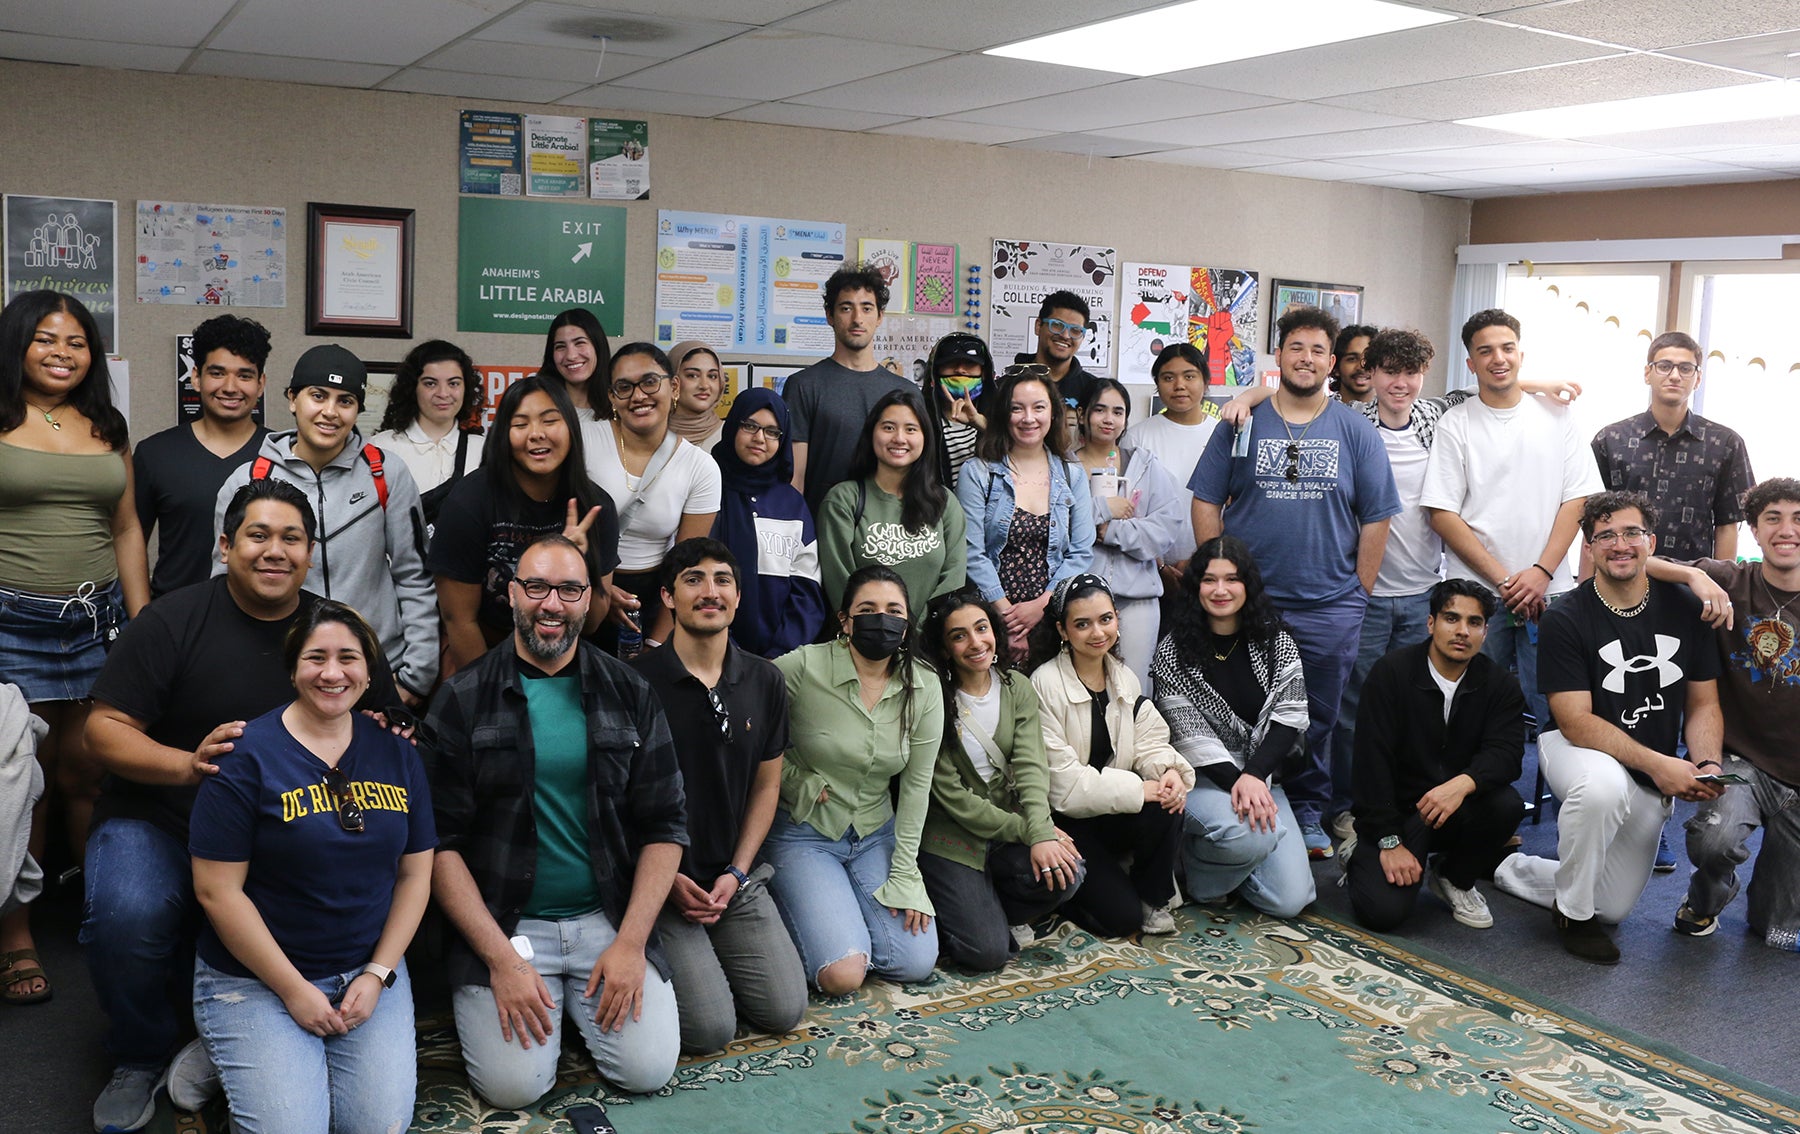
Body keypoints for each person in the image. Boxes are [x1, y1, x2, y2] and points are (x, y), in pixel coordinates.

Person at [82, 479, 401, 1132]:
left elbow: (385, 724)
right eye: (258, 535)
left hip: (284, 837)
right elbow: (102, 729)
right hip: (163, 817)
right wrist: (187, 765)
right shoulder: (171, 620)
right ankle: (140, 1053)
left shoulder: (332, 634)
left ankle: (230, 1037)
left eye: (291, 538)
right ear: (226, 546)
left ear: (311, 554)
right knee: (127, 908)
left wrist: (396, 734)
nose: (274, 551)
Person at [425, 535, 687, 1104]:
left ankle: (573, 1003)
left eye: (570, 589)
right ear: (513, 595)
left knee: (647, 1072)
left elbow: (666, 825)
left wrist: (631, 943)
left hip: (607, 919)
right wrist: (498, 960)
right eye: (537, 587)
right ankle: (552, 1004)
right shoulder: (462, 698)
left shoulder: (630, 689)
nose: (552, 604)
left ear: (590, 599)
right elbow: (438, 845)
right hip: (507, 926)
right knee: (512, 1089)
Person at [189, 600, 434, 1134]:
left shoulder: (399, 754)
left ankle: (264, 1062)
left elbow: (416, 875)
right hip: (258, 978)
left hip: (366, 973)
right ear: (293, 667)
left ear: (370, 673)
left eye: (348, 658)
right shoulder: (244, 754)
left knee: (374, 1127)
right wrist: (295, 991)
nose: (331, 672)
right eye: (315, 657)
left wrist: (378, 973)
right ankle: (226, 1048)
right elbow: (216, 892)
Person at [1189, 304, 1400, 859]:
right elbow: (1207, 498)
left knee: (1318, 716)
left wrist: (1360, 592)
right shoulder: (1241, 422)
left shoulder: (1356, 430)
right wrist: (1214, 572)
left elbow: (1377, 515)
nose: (1305, 359)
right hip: (1246, 602)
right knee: (1246, 708)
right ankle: (1247, 798)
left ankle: (1308, 808)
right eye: (1295, 348)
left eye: (1316, 351)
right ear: (1278, 357)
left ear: (1331, 363)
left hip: (1330, 602)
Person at [1492, 492, 1724, 964]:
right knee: (1601, 788)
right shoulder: (1565, 616)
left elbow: (1704, 705)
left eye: (1631, 533)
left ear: (1651, 542)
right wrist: (1661, 765)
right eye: (1605, 536)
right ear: (1589, 548)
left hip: (1648, 765)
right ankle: (1572, 915)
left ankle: (1509, 868)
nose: (1620, 545)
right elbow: (1575, 722)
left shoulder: (1684, 607)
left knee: (1612, 907)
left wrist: (1706, 764)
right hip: (1575, 748)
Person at [0, 290, 148, 1009]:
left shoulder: (106, 424)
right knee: (18, 782)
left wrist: (143, 621)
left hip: (98, 623)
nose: (61, 352)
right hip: (9, 622)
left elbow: (125, 530)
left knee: (91, 770)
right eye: (45, 339)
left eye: (76, 341)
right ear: (17, 345)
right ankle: (15, 935)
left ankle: (102, 913)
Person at [632, 538, 806, 1053]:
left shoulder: (765, 679)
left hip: (733, 880)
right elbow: (614, 800)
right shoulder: (636, 684)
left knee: (785, 1010)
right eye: (693, 580)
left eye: (722, 580)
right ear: (667, 597)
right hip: (662, 883)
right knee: (709, 1031)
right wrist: (665, 880)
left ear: (738, 596)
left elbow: (767, 785)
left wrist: (738, 871)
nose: (710, 592)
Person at [214, 343, 438, 702]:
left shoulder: (386, 473)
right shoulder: (247, 481)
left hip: (373, 670)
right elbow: (225, 586)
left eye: (345, 401)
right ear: (292, 399)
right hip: (281, 673)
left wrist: (415, 677)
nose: (330, 412)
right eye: (318, 396)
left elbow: (414, 576)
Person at [1422, 308, 1604, 743]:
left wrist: (1540, 573)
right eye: (1485, 351)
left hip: (1552, 591)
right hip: (1477, 593)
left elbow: (1577, 499)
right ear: (1471, 363)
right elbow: (1443, 513)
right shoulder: (1456, 423)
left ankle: (1569, 808)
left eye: (1507, 348)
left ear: (1521, 354)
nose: (1498, 358)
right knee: (1471, 708)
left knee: (1561, 716)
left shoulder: (1557, 417)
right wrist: (1506, 581)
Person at [765, 565, 942, 994]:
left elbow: (917, 789)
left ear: (906, 624)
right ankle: (798, 906)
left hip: (874, 833)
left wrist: (906, 874)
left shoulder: (925, 685)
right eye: (867, 609)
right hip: (803, 832)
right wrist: (795, 780)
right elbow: (751, 740)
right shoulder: (802, 667)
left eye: (893, 610)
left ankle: (842, 917)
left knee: (916, 960)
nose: (881, 619)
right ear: (845, 620)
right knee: (843, 975)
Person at [1648, 478, 1800, 949]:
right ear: (1754, 530)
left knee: (1775, 933)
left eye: (1797, 519)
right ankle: (1708, 897)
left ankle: (1771, 899)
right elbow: (1639, 560)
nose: (1786, 530)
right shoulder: (1731, 580)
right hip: (1741, 763)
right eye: (1772, 518)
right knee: (1714, 842)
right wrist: (1695, 575)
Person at [918, 591, 1085, 971]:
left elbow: (1031, 765)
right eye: (959, 636)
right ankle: (958, 910)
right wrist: (1030, 833)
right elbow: (953, 798)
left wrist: (1042, 833)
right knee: (987, 955)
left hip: (1002, 831)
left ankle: (994, 907)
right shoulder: (933, 699)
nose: (975, 642)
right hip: (951, 839)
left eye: (981, 628)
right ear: (944, 648)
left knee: (1069, 870)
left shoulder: (1015, 687)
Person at [1347, 579, 1527, 932]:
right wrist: (1388, 840)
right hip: (1394, 815)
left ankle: (1453, 876)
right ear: (1431, 623)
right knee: (1383, 914)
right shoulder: (1391, 674)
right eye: (1451, 619)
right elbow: (1370, 766)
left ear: (1485, 631)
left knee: (1507, 805)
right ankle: (1359, 852)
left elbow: (1507, 754)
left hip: (1454, 810)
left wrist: (1462, 783)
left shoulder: (1500, 684)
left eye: (1473, 623)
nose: (1462, 631)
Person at [1152, 540, 1314, 918]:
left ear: (1248, 585)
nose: (1221, 590)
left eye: (1232, 579)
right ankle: (1202, 876)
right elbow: (1186, 731)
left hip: (1262, 776)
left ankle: (1229, 857)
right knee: (1252, 836)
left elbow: (1289, 719)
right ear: (1196, 586)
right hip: (1199, 776)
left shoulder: (1275, 640)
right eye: (1209, 580)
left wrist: (1255, 776)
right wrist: (1241, 782)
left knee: (1291, 901)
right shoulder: (1173, 650)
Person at [1033, 575, 1192, 937]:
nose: (1097, 632)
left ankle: (1154, 896)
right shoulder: (1043, 684)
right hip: (1067, 824)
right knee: (1120, 921)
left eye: (1105, 619)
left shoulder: (1123, 676)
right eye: (1082, 624)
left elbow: (1149, 739)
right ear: (1062, 629)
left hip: (1112, 813)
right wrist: (1141, 790)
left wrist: (1166, 772)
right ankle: (1068, 892)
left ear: (1117, 620)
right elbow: (1064, 787)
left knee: (1169, 798)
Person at [428, 375, 618, 675]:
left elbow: (592, 623)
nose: (536, 434)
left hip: (565, 657)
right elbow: (459, 620)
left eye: (550, 421)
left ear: (571, 428)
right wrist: (491, 695)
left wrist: (582, 563)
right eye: (520, 424)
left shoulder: (596, 507)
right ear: (504, 434)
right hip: (485, 654)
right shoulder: (470, 501)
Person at [583, 342, 721, 649]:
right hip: (580, 591)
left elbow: (686, 567)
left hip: (651, 602)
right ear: (611, 397)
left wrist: (655, 645)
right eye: (624, 387)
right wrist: (597, 590)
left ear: (672, 387)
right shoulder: (582, 442)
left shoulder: (701, 468)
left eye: (649, 382)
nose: (638, 396)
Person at [959, 366, 1095, 664]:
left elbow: (1081, 552)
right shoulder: (978, 472)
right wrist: (1008, 617)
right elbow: (972, 552)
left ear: (1053, 413)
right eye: (1016, 408)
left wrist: (1040, 606)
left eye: (1039, 407)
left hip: (1054, 618)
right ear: (1002, 414)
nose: (1028, 418)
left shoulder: (1072, 474)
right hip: (989, 619)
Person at [134, 313, 271, 597]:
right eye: (217, 373)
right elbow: (129, 542)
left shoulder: (282, 455)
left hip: (262, 622)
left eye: (244, 375)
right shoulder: (155, 453)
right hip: (172, 621)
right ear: (196, 377)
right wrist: (142, 619)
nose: (230, 387)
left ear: (260, 384)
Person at [1591, 331, 1754, 566]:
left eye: (1686, 368)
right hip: (1622, 578)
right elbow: (1591, 522)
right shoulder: (1611, 439)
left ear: (1698, 378)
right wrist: (1588, 588)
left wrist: (1722, 587)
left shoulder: (1725, 443)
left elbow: (1727, 524)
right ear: (1648, 373)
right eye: (1665, 366)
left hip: (1693, 584)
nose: (1675, 376)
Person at [1071, 378, 1183, 692]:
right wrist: (1102, 509)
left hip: (1138, 600)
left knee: (1133, 690)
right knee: (1081, 689)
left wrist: (1110, 531)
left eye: (1117, 412)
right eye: (1100, 410)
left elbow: (1164, 530)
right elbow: (1061, 525)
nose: (1109, 419)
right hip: (1080, 599)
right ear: (1082, 414)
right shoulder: (1064, 466)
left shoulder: (1144, 465)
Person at [819, 387, 967, 623]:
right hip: (866, 642)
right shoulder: (843, 500)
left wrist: (918, 636)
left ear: (925, 438)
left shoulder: (944, 501)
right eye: (888, 427)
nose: (899, 438)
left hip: (929, 644)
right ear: (871, 434)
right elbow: (840, 583)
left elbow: (954, 578)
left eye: (911, 429)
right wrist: (883, 632)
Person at [784, 263, 913, 515]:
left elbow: (916, 478)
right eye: (846, 308)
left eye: (867, 308)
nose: (857, 319)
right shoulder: (803, 385)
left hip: (890, 538)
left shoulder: (905, 392)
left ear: (879, 317)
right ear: (829, 316)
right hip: (821, 531)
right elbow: (794, 480)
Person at [709, 387, 825, 657]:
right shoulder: (707, 488)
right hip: (710, 650)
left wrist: (778, 656)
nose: (760, 438)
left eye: (772, 432)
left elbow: (807, 590)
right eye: (750, 425)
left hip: (780, 661)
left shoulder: (792, 504)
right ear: (734, 425)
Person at [1122, 343, 1218, 619]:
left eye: (1189, 376)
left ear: (1205, 381)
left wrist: (1199, 558)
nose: (1179, 385)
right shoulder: (1137, 438)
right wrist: (1161, 566)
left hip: (1210, 568)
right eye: (1168, 377)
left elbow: (1233, 505)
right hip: (1147, 570)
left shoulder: (1221, 434)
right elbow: (1128, 511)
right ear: (1157, 383)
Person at [368, 338, 485, 498]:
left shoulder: (484, 450)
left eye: (454, 383)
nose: (443, 393)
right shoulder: (381, 448)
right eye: (430, 384)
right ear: (412, 388)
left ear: (466, 388)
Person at [918, 332, 994, 487]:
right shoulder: (919, 418)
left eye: (970, 364)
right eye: (951, 363)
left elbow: (1021, 459)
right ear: (935, 373)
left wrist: (982, 424)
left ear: (984, 374)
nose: (960, 370)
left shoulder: (1001, 414)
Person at [1013, 290, 1097, 411]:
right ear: (1038, 326)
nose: (1065, 335)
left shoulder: (1094, 391)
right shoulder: (1008, 384)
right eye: (1057, 325)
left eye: (1075, 330)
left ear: (1082, 337)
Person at [538, 307, 610, 416]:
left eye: (579, 343)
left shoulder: (621, 406)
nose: (571, 356)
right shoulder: (537, 405)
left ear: (597, 346)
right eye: (561, 346)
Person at [667, 340, 727, 452]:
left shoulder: (732, 436)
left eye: (712, 376)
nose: (704, 385)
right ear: (672, 381)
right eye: (692, 375)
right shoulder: (650, 434)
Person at [1329, 323, 1376, 404]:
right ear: (1335, 368)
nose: (1362, 366)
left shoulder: (1395, 413)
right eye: (1352, 359)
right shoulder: (1320, 411)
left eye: (1369, 359)